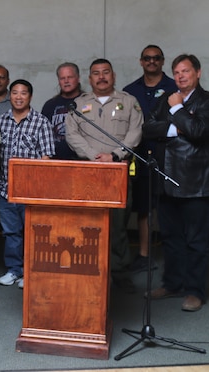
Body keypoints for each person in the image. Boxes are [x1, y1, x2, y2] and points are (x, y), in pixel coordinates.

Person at [65, 58, 143, 293]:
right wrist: (92, 155)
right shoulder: (78, 104)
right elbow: (72, 134)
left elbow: (135, 131)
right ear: (90, 79)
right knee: (87, 225)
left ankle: (119, 274)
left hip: (117, 171)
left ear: (113, 76)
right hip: (88, 171)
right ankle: (86, 271)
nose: (101, 77)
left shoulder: (129, 102)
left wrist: (115, 155)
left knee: (118, 225)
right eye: (96, 73)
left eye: (106, 72)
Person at [143, 54, 209, 312]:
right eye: (177, 72)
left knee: (196, 240)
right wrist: (174, 129)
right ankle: (172, 283)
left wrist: (177, 109)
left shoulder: (204, 101)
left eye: (186, 71)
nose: (180, 76)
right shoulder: (164, 99)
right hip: (166, 179)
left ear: (198, 73)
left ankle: (195, 291)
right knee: (170, 237)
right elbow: (147, 129)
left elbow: (199, 131)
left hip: (195, 182)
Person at [0, 80, 55, 289]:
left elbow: (47, 158)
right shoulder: (1, 121)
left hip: (32, 191)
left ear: (30, 96)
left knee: (33, 233)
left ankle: (31, 271)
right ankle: (14, 270)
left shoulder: (41, 122)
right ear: (9, 96)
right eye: (15, 93)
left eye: (23, 93)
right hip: (6, 188)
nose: (19, 97)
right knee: (11, 233)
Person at [123, 45, 177, 274]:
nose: (152, 62)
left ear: (163, 61)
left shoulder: (174, 87)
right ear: (141, 61)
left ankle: (174, 256)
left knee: (170, 207)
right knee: (144, 207)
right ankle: (144, 255)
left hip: (171, 156)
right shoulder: (130, 90)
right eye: (147, 58)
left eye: (156, 58)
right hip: (141, 156)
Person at [41, 62, 82, 160]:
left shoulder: (87, 102)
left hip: (81, 160)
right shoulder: (50, 105)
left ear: (78, 78)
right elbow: (42, 135)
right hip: (55, 160)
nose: (66, 81)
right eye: (62, 78)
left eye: (70, 77)